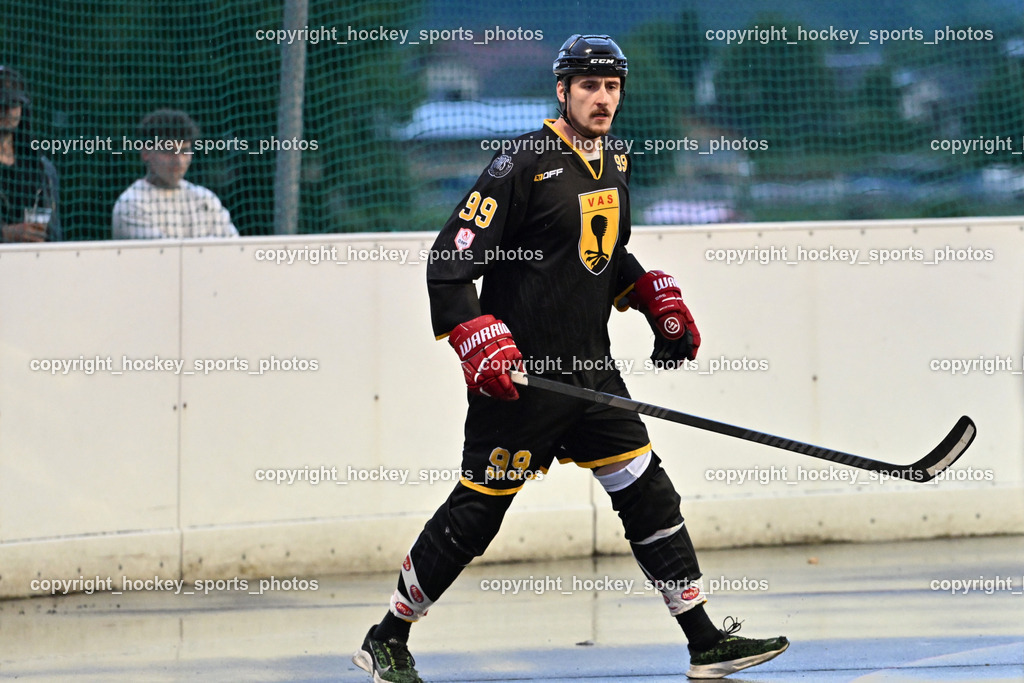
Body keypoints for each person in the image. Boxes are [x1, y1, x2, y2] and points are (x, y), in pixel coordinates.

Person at [353, 35, 788, 682]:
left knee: (648, 492)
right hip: (520, 379)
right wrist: (475, 333)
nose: (602, 98)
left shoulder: (616, 159)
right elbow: (449, 262)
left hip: (590, 371)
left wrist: (646, 294)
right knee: (478, 513)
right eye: (589, 86)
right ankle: (387, 635)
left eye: (612, 86)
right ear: (563, 91)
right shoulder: (522, 162)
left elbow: (599, 256)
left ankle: (703, 642)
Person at [112, 109, 238, 239]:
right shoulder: (131, 204)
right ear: (146, 153)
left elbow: (234, 249)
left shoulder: (206, 200)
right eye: (168, 150)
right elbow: (165, 256)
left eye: (184, 151)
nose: (178, 160)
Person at [0, 65, 61, 243]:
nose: (7, 111)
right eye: (1, 103)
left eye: (13, 104)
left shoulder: (42, 168)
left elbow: (56, 234)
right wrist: (6, 234)